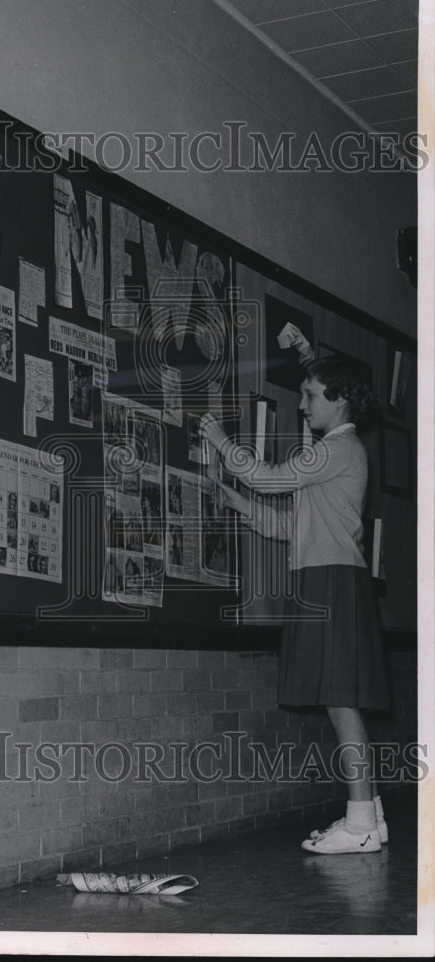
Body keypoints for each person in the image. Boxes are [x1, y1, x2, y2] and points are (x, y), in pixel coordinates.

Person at [200, 353, 388, 855]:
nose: (303, 405)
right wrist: (239, 504)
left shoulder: (337, 449)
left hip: (333, 582)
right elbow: (290, 525)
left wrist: (221, 441)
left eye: (310, 395)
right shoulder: (332, 456)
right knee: (338, 698)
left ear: (340, 398)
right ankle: (369, 815)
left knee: (340, 700)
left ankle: (362, 822)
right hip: (322, 578)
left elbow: (269, 475)